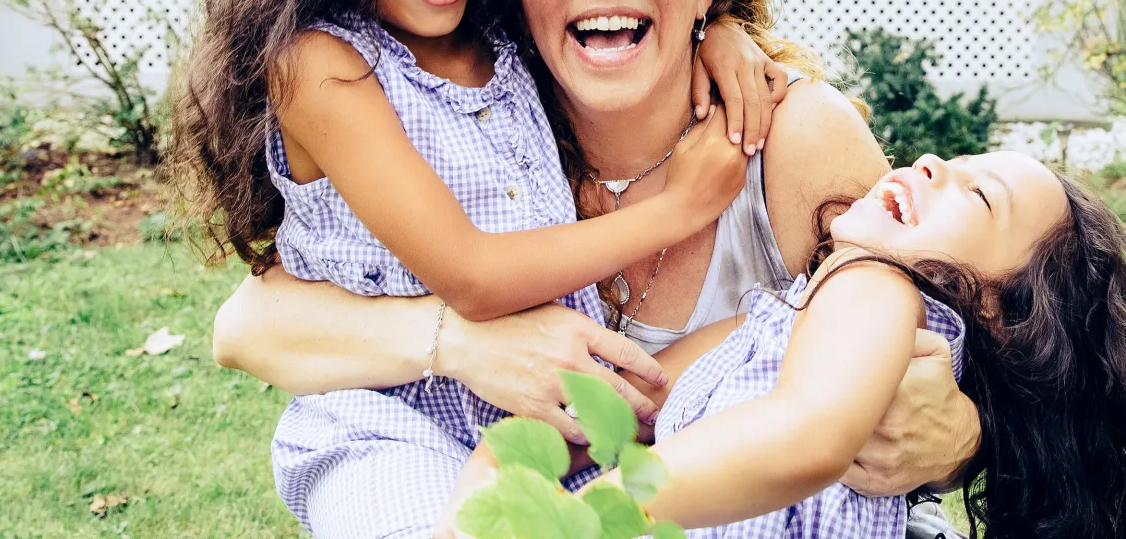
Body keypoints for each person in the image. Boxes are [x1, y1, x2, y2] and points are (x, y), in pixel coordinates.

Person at [212, 0, 983, 537]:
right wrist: (462, 343)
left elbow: (970, 350)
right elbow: (249, 325)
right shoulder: (482, 116)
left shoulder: (788, 137)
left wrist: (965, 440)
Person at [170, 0, 783, 538]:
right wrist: (676, 208)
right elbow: (476, 278)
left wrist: (717, 30)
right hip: (383, 430)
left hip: (541, 425)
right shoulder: (323, 67)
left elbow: (604, 16)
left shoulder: (495, 38)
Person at [449, 153, 1126, 539]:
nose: (930, 164)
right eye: (951, 161)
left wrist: (582, 516)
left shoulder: (887, 296)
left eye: (977, 195)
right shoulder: (769, 320)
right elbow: (608, 408)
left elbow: (805, 435)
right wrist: (492, 478)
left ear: (1001, 316)